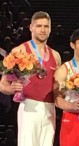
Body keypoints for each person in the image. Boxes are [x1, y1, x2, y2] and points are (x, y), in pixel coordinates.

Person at [0, 11, 61, 146]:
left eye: (46, 26)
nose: (43, 30)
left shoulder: (56, 56)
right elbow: (2, 84)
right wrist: (11, 88)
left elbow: (58, 86)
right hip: (28, 106)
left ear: (50, 28)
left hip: (49, 109)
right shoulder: (19, 51)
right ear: (31, 27)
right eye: (39, 26)